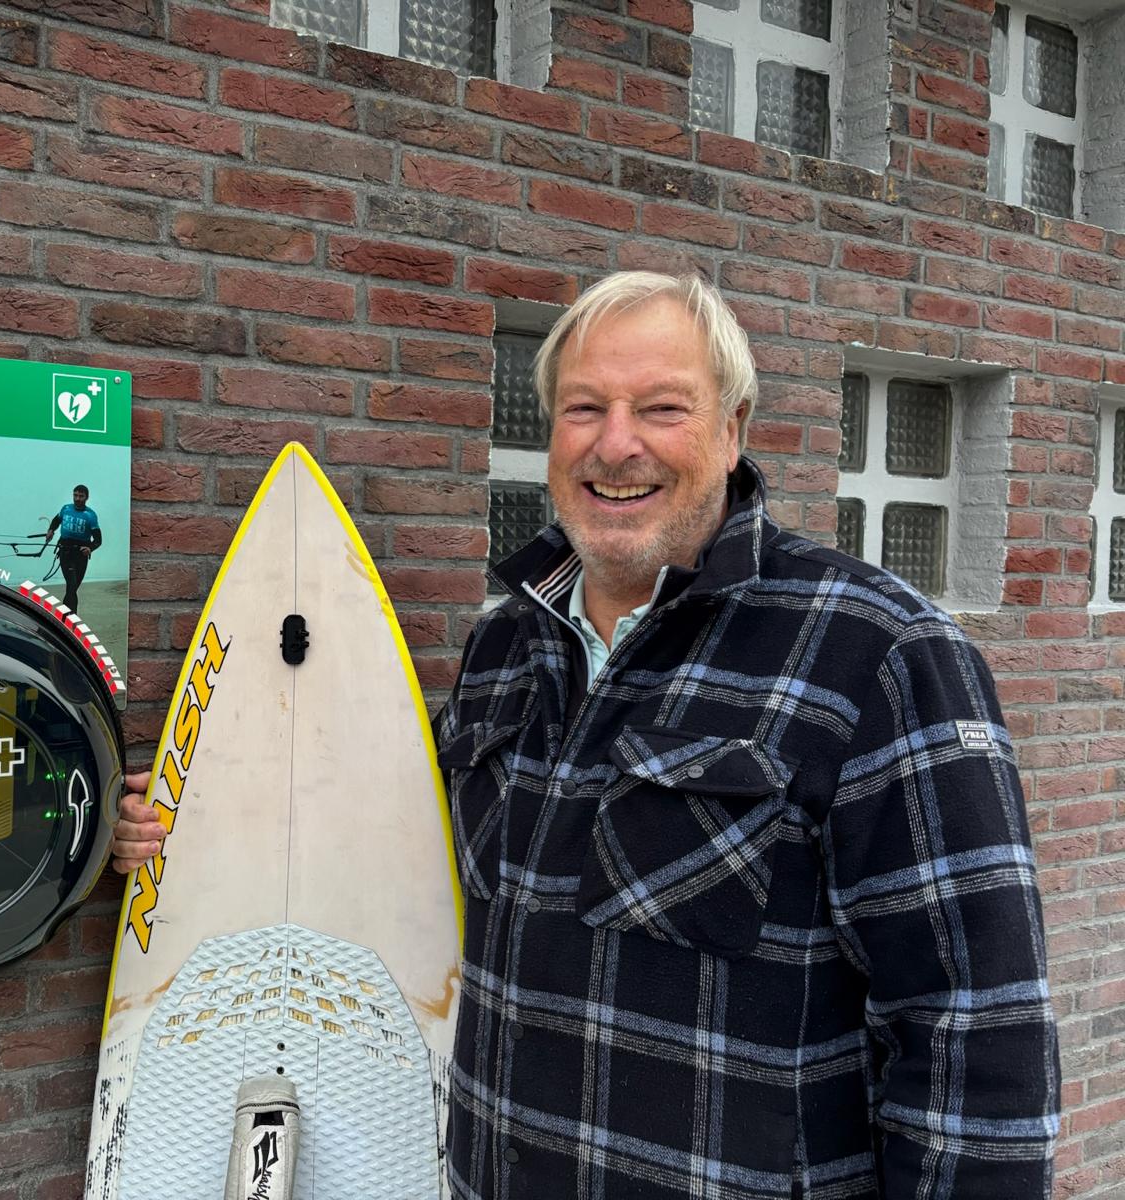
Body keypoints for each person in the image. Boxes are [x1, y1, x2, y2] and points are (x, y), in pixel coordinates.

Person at [110, 272, 1059, 1198]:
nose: (616, 444)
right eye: (584, 409)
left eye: (662, 408)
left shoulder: (878, 652)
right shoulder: (505, 646)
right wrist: (191, 826)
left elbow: (976, 1034)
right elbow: (400, 847)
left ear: (733, 429)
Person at [35, 484, 102, 612]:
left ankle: (64, 617)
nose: (77, 499)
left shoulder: (90, 515)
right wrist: (51, 530)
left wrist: (90, 548)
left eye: (81, 496)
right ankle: (71, 618)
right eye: (75, 495)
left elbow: (98, 540)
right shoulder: (66, 508)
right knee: (71, 585)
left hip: (81, 555)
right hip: (65, 552)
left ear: (87, 498)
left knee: (73, 588)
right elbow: (56, 520)